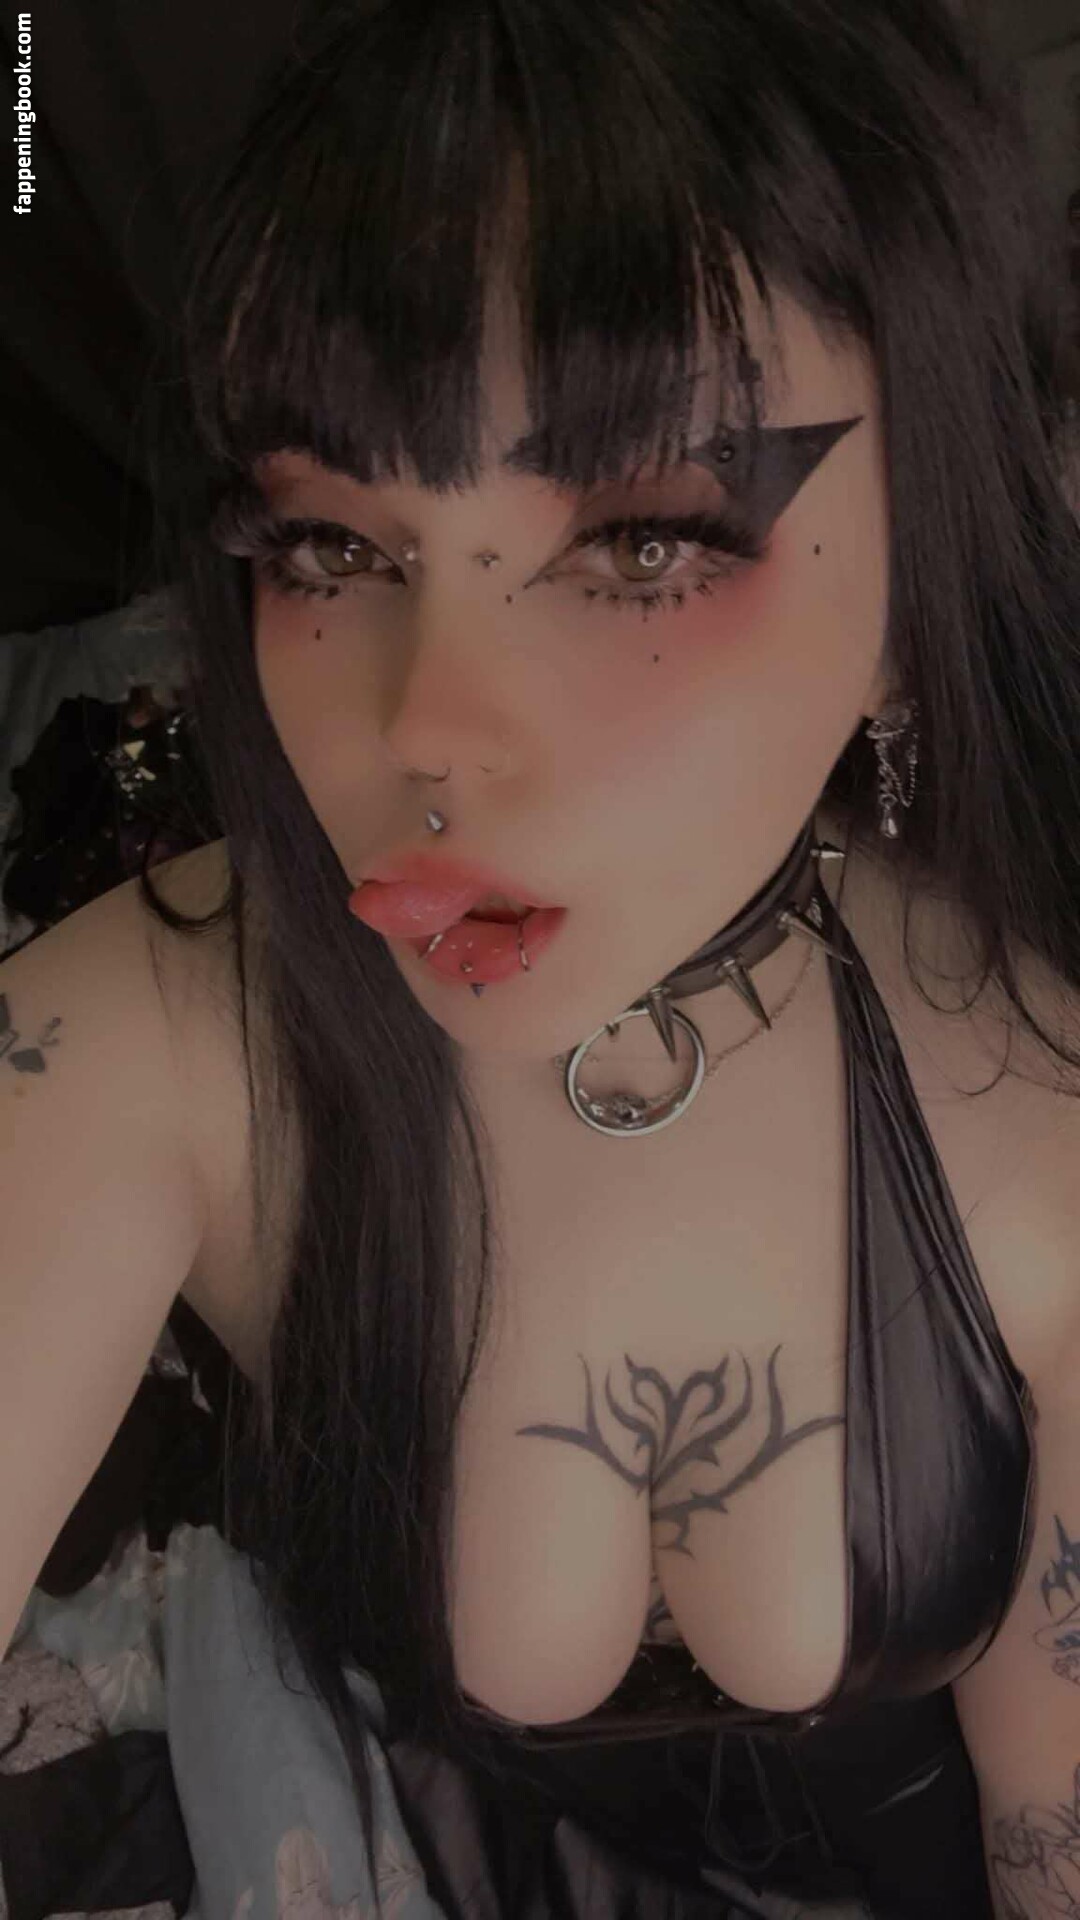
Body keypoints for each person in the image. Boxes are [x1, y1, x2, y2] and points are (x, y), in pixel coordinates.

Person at [3, 1, 1080, 1915]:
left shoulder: (1035, 1112)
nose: (427, 730)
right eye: (326, 548)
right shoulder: (130, 1047)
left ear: (918, 588)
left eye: (644, 546)